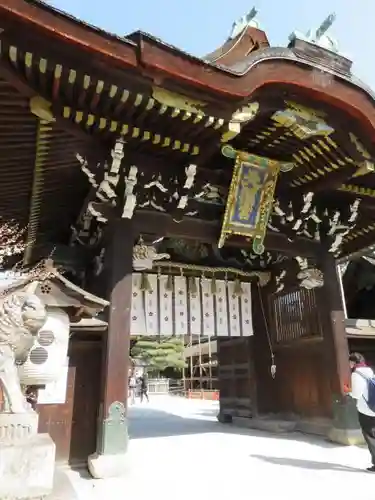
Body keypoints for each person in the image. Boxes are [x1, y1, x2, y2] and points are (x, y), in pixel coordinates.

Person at [349, 352, 375, 472]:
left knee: (370, 436)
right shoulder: (369, 370)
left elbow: (356, 394)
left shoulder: (356, 374)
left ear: (353, 363)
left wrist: (348, 391)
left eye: (350, 362)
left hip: (366, 410)